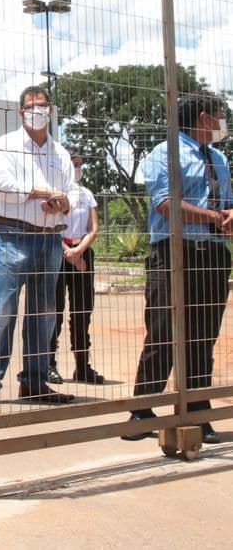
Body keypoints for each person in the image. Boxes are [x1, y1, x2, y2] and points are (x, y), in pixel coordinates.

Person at [121, 93, 232, 445]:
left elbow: (226, 202)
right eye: (219, 115)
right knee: (163, 331)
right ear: (203, 118)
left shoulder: (219, 158)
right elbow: (167, 204)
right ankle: (143, 410)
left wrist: (229, 216)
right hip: (173, 252)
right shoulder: (164, 153)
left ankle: (197, 413)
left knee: (202, 336)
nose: (222, 122)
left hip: (213, 253)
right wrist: (215, 216)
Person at [0, 85, 78, 407]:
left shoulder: (59, 153)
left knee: (43, 314)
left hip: (49, 239)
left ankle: (34, 381)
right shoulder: (6, 145)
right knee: (1, 312)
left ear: (51, 110)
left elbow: (73, 192)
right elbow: (1, 186)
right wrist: (41, 192)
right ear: (21, 112)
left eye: (43, 105)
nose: (38, 111)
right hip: (13, 237)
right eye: (31, 106)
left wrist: (61, 202)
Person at [47, 148, 106, 385]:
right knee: (55, 311)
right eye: (74, 163)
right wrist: (68, 253)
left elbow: (94, 228)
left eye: (81, 164)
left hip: (83, 254)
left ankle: (83, 366)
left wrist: (80, 251)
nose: (78, 168)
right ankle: (49, 364)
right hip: (58, 253)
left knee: (82, 312)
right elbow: (50, 226)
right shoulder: (55, 194)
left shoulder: (86, 194)